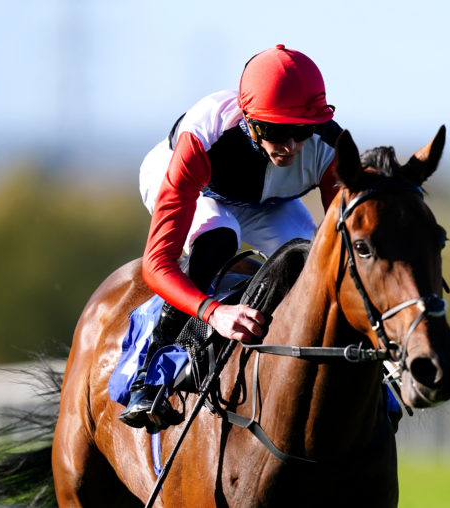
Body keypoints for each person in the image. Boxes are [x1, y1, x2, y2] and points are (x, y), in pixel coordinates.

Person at [119, 45, 342, 428]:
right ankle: (149, 373)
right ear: (250, 121)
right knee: (220, 238)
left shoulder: (331, 146)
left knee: (314, 263)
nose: (290, 147)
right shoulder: (203, 138)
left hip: (268, 202)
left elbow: (345, 246)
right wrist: (215, 313)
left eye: (301, 132)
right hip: (195, 186)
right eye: (277, 131)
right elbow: (157, 266)